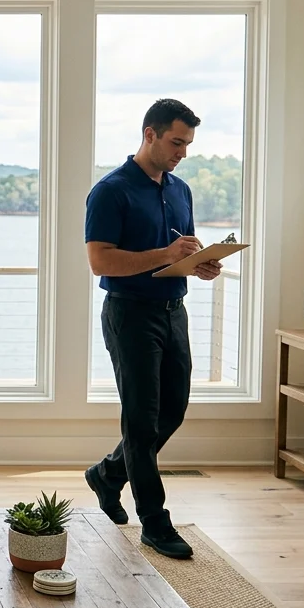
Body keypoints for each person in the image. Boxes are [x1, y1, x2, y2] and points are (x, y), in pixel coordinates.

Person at [82, 98, 222, 560]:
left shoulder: (180, 190)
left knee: (172, 412)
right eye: (176, 142)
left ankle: (107, 473)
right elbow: (100, 260)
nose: (183, 151)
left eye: (188, 144)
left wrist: (198, 265)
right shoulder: (111, 191)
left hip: (172, 312)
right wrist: (165, 255)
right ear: (150, 134)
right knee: (141, 423)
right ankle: (155, 525)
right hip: (129, 315)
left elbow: (179, 255)